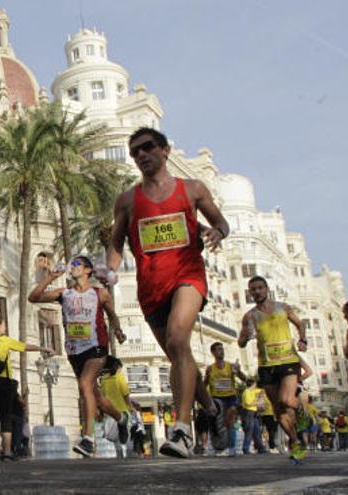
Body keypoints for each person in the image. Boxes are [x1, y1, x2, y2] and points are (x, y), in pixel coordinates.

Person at [106, 127, 230, 458]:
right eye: (135, 152)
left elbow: (221, 223)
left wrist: (217, 233)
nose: (141, 155)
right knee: (179, 355)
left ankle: (182, 429)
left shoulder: (193, 189)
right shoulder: (128, 200)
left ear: (165, 151)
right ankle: (212, 410)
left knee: (178, 339)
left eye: (147, 147)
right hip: (150, 289)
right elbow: (116, 243)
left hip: (188, 276)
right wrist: (111, 271)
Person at [28, 255, 127, 457]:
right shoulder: (64, 293)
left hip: (96, 347)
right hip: (74, 350)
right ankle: (121, 418)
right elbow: (33, 297)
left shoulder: (100, 293)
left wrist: (117, 330)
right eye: (71, 264)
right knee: (95, 396)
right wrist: (51, 277)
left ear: (88, 270)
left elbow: (112, 314)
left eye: (76, 264)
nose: (72, 267)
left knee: (84, 385)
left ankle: (88, 439)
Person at [239, 275, 308, 462]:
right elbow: (241, 342)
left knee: (286, 399)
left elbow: (300, 324)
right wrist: (244, 338)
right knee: (278, 409)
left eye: (260, 287)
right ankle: (296, 443)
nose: (257, 291)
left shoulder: (283, 307)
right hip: (266, 366)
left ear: (266, 289)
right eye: (253, 289)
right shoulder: (249, 316)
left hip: (288, 361)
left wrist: (303, 340)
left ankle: (302, 412)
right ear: (250, 293)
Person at [0, 315, 53, 461]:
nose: (5, 327)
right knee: (5, 416)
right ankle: (7, 451)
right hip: (3, 382)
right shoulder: (5, 340)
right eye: (4, 324)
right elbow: (25, 347)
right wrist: (42, 348)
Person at [204, 342, 246, 454]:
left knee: (229, 422)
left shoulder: (231, 366)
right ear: (213, 352)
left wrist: (238, 371)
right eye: (218, 349)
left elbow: (244, 379)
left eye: (222, 349)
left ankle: (232, 448)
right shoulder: (210, 369)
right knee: (217, 425)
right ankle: (216, 447)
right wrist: (206, 377)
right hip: (216, 399)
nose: (221, 351)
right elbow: (204, 385)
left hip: (230, 398)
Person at [100, 356, 132, 456]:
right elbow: (125, 394)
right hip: (122, 410)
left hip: (110, 412)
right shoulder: (119, 377)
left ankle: (119, 455)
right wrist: (130, 407)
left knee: (114, 436)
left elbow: (102, 397)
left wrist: (101, 412)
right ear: (118, 367)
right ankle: (126, 453)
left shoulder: (103, 380)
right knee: (125, 434)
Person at [239, 379, 265, 454]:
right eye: (255, 384)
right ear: (252, 384)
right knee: (249, 431)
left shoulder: (253, 391)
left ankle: (260, 448)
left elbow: (261, 391)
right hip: (248, 412)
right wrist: (257, 402)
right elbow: (248, 403)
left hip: (254, 413)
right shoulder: (246, 392)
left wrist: (260, 395)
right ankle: (245, 448)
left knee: (257, 431)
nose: (256, 385)